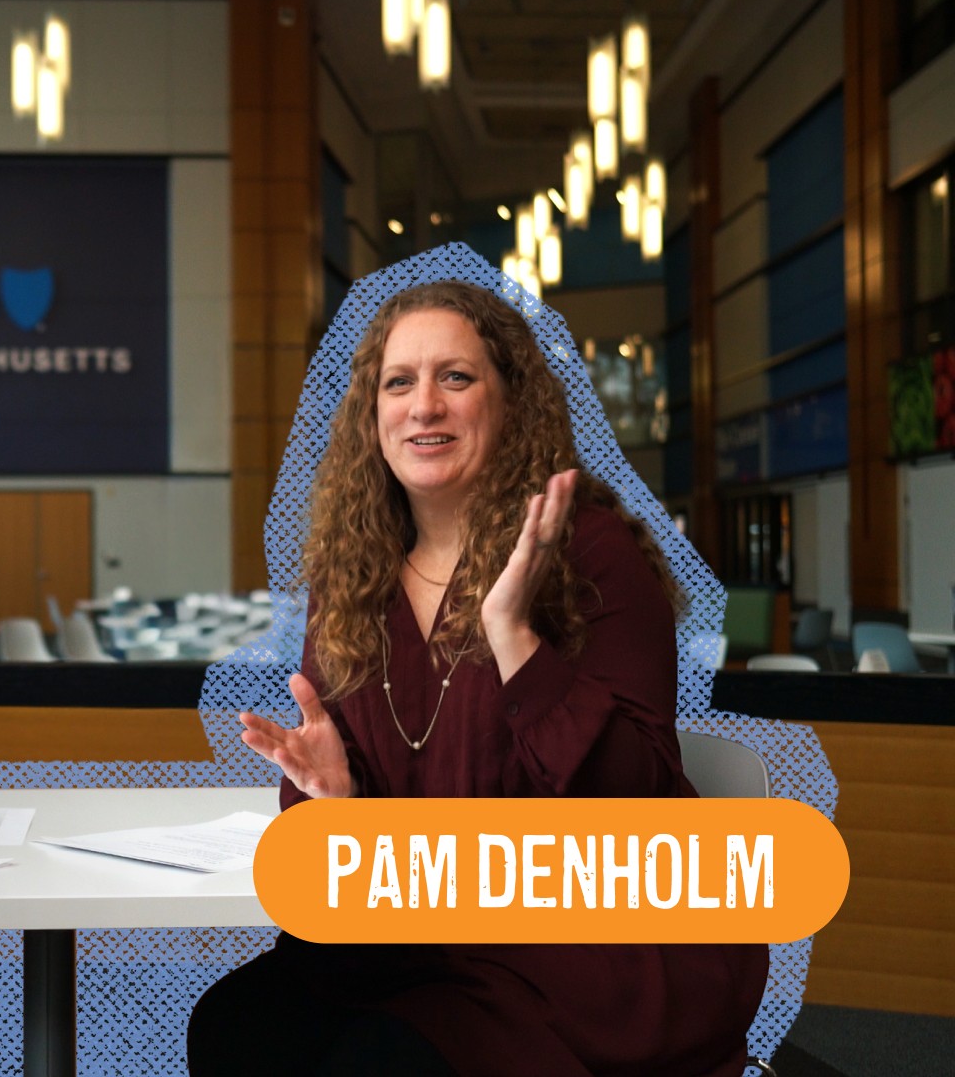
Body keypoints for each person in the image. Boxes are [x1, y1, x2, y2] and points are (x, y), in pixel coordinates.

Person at [187, 280, 768, 1076]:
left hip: (580, 945)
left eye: (455, 378)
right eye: (399, 382)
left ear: (510, 402)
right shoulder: (352, 578)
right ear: (372, 415)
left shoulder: (593, 555)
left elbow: (636, 801)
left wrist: (513, 634)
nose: (424, 406)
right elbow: (362, 842)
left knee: (376, 1062)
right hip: (421, 937)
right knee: (236, 1024)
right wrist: (335, 801)